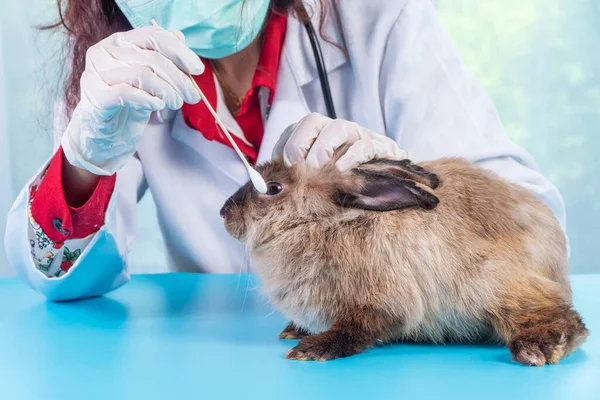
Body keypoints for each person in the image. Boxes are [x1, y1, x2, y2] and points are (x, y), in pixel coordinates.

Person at [4, 0, 565, 301]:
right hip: (214, 357)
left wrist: (395, 179)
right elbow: (58, 278)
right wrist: (84, 162)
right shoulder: (113, 69)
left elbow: (532, 219)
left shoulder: (380, 17)